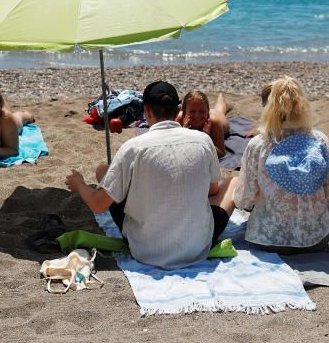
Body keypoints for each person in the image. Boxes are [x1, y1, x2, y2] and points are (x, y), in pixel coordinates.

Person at [65, 81, 237, 270]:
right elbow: (212, 190)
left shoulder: (133, 147)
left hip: (145, 249)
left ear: (146, 111)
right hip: (196, 246)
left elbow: (98, 205)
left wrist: (79, 184)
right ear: (178, 110)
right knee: (234, 181)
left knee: (104, 172)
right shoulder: (204, 141)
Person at [233, 77, 329, 254]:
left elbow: (245, 198)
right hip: (316, 239)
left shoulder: (259, 144)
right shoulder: (320, 140)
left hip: (268, 239)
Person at [176, 90, 231, 158]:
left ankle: (221, 97)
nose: (197, 115)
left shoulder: (214, 122)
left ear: (207, 112)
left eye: (201, 111)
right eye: (192, 111)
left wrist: (205, 138)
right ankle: (219, 99)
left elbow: (221, 153)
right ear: (184, 113)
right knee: (216, 110)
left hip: (219, 118)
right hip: (207, 112)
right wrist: (183, 133)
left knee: (220, 111)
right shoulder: (180, 119)